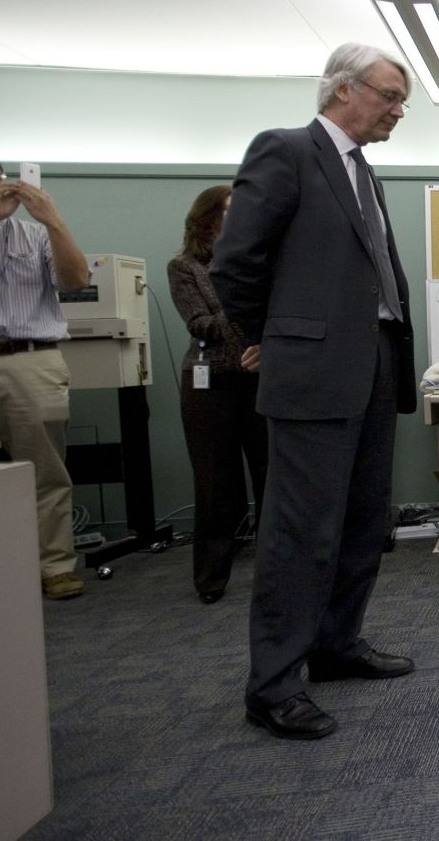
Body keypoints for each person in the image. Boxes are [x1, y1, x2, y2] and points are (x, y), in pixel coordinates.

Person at [211, 43, 417, 740]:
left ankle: (335, 645)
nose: (398, 110)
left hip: (376, 362)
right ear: (343, 90)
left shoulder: (366, 174)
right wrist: (275, 334)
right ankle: (272, 685)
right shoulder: (286, 150)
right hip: (313, 370)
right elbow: (235, 265)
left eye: (401, 100)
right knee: (300, 533)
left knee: (364, 521)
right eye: (389, 95)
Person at [0, 149, 90, 600]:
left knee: (46, 470)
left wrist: (53, 221)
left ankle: (55, 567)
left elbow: (75, 280)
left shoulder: (34, 236)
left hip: (31, 357)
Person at [168, 185, 268, 604]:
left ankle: (278, 572)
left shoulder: (263, 264)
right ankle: (211, 579)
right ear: (207, 219)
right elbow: (201, 323)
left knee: (272, 479)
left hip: (262, 379)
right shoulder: (184, 267)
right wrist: (241, 295)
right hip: (209, 384)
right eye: (229, 211)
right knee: (215, 485)